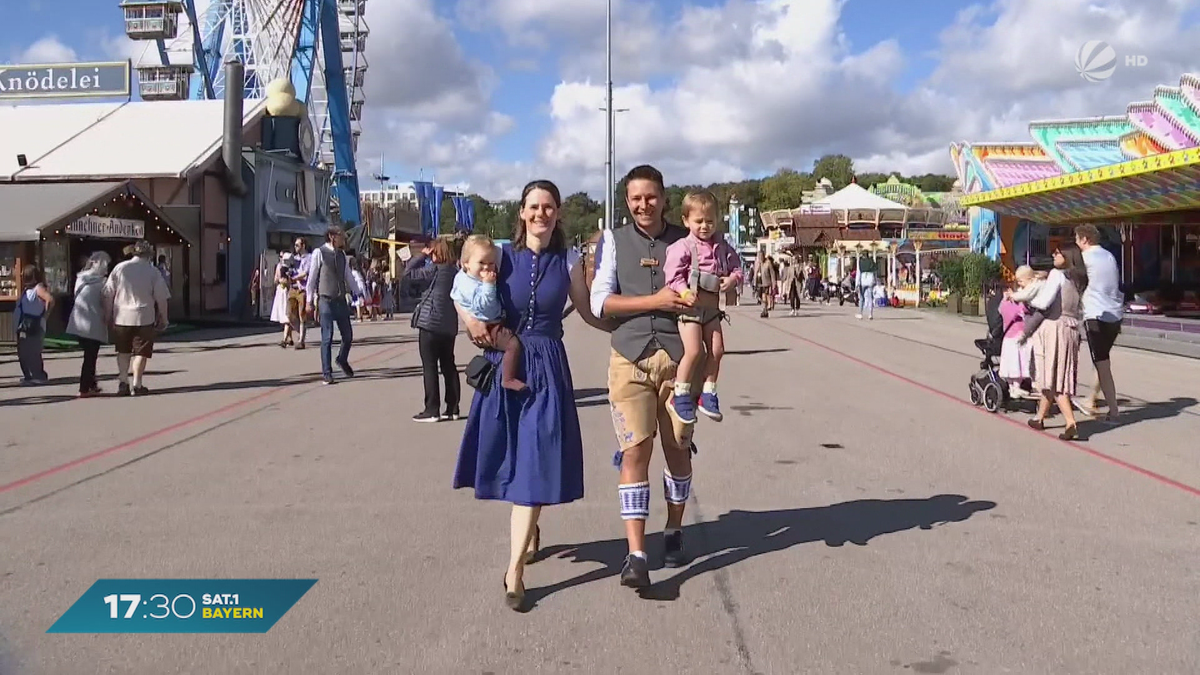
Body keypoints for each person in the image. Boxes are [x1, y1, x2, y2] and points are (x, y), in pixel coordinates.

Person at [453, 179, 611, 611]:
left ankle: (514, 572)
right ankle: (530, 531)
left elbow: (587, 310)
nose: (541, 213)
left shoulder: (569, 261)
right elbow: (460, 286)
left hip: (548, 366)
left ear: (558, 214)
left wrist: (630, 327)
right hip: (508, 359)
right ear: (521, 213)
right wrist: (469, 322)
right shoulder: (502, 257)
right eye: (533, 206)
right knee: (516, 459)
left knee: (538, 460)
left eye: (549, 207)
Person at [589, 164, 704, 588]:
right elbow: (601, 302)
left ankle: (673, 530)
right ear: (627, 202)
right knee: (635, 451)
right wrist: (653, 300)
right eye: (635, 198)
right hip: (630, 358)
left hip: (679, 361)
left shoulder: (687, 238)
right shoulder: (614, 241)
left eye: (650, 196)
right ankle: (636, 553)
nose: (643, 204)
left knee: (677, 450)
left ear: (664, 198)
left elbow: (712, 285)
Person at [661, 191, 743, 424]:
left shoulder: (722, 246)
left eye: (710, 221)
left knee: (717, 350)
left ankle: (708, 392)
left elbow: (737, 267)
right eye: (699, 221)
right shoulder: (684, 246)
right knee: (694, 351)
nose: (705, 226)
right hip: (690, 311)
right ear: (686, 220)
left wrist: (733, 279)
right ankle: (681, 393)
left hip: (712, 310)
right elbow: (672, 276)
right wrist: (684, 291)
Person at [1021, 244, 1088, 440]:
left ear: (1066, 256)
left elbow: (1043, 302)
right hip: (1071, 326)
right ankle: (1039, 418)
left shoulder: (1057, 275)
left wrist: (1025, 298)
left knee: (1053, 377)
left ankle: (1070, 422)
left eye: (1058, 252)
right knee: (1055, 375)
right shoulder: (1078, 279)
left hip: (1054, 328)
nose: (1054, 254)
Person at [453, 234, 526, 392]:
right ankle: (508, 378)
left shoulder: (462, 277)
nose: (487, 267)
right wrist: (489, 285)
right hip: (488, 324)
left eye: (491, 263)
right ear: (466, 264)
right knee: (513, 345)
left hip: (485, 322)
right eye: (481, 263)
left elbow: (453, 295)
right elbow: (486, 307)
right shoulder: (474, 285)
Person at [404, 238, 462, 421]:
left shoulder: (433, 270)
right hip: (448, 325)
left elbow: (408, 273)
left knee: (430, 367)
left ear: (435, 252)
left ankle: (432, 409)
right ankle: (453, 408)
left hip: (430, 324)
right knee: (449, 366)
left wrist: (422, 255)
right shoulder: (456, 272)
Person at [103, 240, 170, 396]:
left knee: (123, 351)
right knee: (141, 352)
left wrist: (108, 315)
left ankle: (123, 382)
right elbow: (161, 297)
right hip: (144, 317)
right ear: (148, 255)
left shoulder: (120, 268)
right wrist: (164, 317)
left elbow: (108, 293)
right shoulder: (152, 271)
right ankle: (137, 384)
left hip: (121, 317)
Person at [1075, 224, 1123, 421]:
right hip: (1115, 314)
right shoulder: (1108, 255)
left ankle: (1113, 409)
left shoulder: (1085, 258)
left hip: (1096, 314)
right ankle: (1091, 398)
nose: (1076, 243)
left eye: (1077, 239)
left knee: (1102, 363)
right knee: (1101, 359)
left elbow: (1070, 277)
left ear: (1085, 239)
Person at [305, 225, 361, 385]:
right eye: (341, 236)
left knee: (348, 336)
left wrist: (358, 292)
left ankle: (342, 359)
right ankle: (327, 373)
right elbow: (312, 278)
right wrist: (309, 301)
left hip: (340, 299)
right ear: (331, 236)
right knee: (327, 337)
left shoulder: (342, 254)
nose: (343, 239)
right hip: (326, 300)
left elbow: (348, 276)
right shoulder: (319, 253)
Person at [66, 252, 112, 397]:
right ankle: (84, 388)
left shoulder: (80, 279)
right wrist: (108, 318)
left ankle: (91, 384)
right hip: (94, 323)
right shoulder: (103, 282)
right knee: (90, 357)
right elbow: (106, 303)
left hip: (78, 322)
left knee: (89, 355)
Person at [13, 266, 54, 385]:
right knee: (24, 351)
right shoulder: (27, 289)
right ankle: (29, 375)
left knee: (33, 351)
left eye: (26, 276)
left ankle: (38, 375)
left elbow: (50, 300)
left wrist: (45, 316)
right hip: (24, 324)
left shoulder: (38, 288)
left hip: (33, 324)